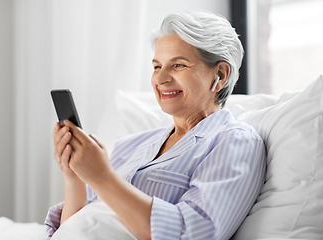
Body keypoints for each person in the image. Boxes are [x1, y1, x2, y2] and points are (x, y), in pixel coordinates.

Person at [44, 12, 266, 240]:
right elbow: (77, 226)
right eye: (157, 66)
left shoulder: (235, 142)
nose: (161, 79)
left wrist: (102, 177)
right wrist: (76, 179)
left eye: (178, 65)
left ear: (220, 74)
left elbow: (194, 233)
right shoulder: (130, 146)